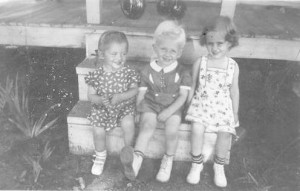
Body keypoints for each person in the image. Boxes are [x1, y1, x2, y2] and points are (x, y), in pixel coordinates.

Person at [120, 20, 191, 182]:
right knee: (146, 127)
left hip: (173, 107)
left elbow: (183, 97)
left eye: (172, 51)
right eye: (163, 49)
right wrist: (138, 110)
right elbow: (141, 93)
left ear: (179, 53)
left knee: (172, 131)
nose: (167, 54)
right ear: (155, 48)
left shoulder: (182, 72)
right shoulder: (147, 70)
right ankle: (135, 161)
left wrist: (169, 111)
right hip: (150, 104)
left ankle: (168, 160)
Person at [185, 16, 240, 187]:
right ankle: (196, 164)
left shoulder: (232, 66)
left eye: (220, 43)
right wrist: (187, 107)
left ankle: (219, 165)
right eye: (210, 44)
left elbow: (234, 91)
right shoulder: (200, 62)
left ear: (229, 43)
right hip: (202, 105)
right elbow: (193, 86)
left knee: (225, 132)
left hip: (222, 107)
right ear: (205, 42)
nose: (214, 48)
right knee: (196, 128)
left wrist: (235, 113)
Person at [85, 30, 140, 176]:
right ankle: (100, 156)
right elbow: (90, 96)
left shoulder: (129, 72)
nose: (119, 58)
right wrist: (101, 100)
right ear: (102, 55)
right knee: (98, 130)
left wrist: (122, 96)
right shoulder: (96, 74)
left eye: (123, 53)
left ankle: (128, 154)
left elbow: (134, 90)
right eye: (114, 54)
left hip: (123, 107)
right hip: (102, 108)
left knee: (129, 124)